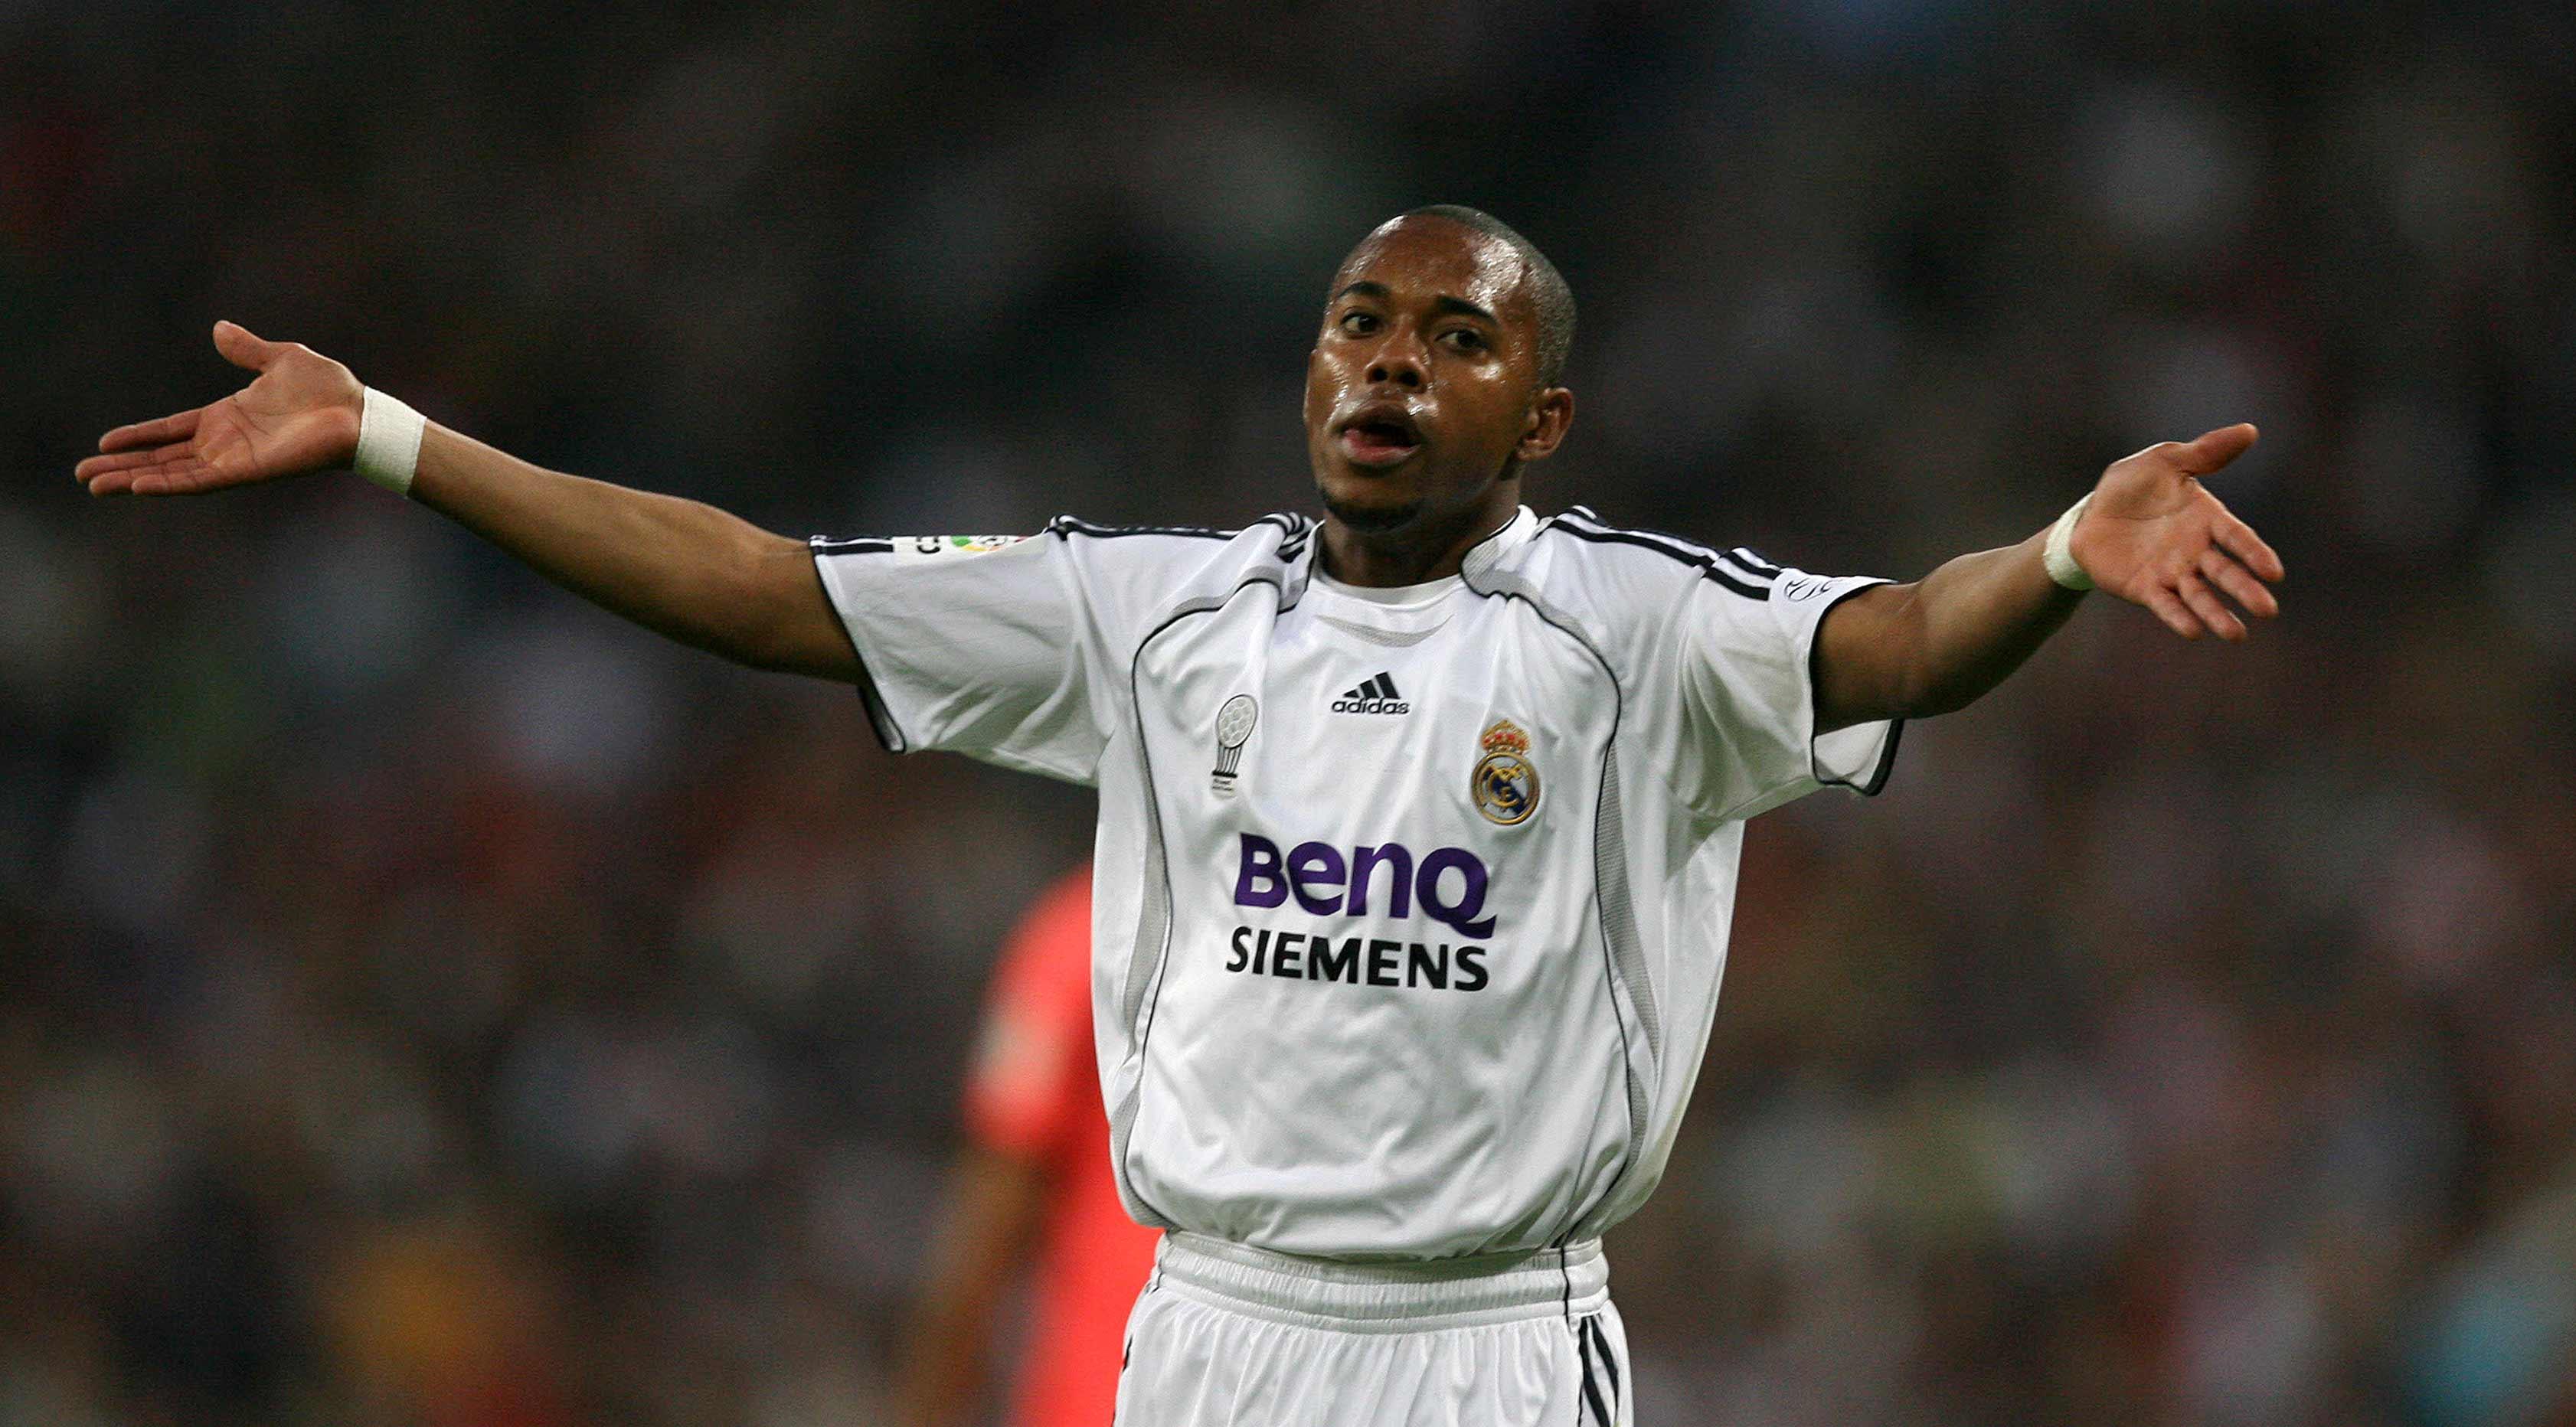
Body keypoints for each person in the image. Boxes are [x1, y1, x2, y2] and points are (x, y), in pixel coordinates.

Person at [77, 204, 2285, 1425]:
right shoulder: (1147, 620)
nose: (1387, 363)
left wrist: (2065, 557)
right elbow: (761, 589)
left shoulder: (1634, 634)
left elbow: (1896, 644)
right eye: (1355, 321)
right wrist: (388, 435)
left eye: (1452, 334)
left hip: (1484, 1349)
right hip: (1204, 1331)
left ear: (1545, 411)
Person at [894, 865, 1160, 1427]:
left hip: (1094, 1391)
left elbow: (992, 1208)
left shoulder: (1080, 930)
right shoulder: (1279, 939)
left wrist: (927, 1404)